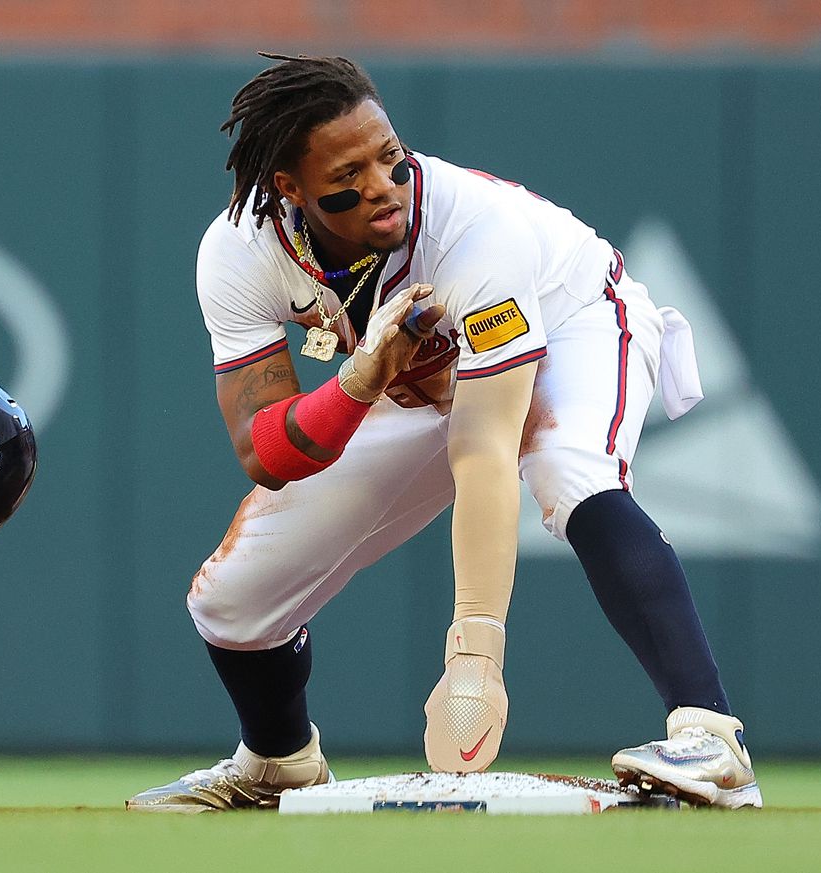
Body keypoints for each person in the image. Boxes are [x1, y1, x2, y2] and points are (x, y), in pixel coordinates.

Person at [126, 53, 762, 812]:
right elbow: (263, 451)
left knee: (565, 467)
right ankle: (279, 759)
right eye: (349, 174)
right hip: (410, 377)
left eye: (389, 157)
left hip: (568, 320)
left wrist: (475, 654)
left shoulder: (470, 233)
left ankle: (710, 736)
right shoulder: (239, 250)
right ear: (288, 188)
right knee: (231, 597)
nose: (383, 188)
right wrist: (359, 379)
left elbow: (484, 449)